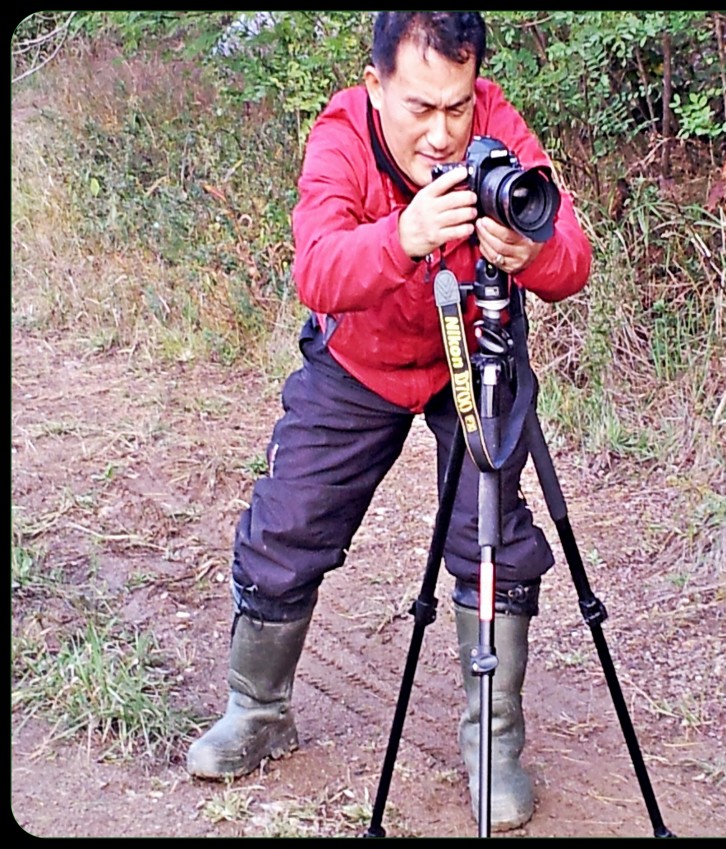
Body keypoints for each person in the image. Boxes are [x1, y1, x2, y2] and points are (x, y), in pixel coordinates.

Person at [186, 11, 592, 832]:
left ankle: (491, 745)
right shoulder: (341, 135)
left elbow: (571, 258)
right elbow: (316, 269)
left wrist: (533, 255)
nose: (442, 133)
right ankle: (257, 710)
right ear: (376, 87)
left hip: (472, 355)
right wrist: (402, 236)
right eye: (420, 108)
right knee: (289, 520)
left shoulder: (501, 128)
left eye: (458, 106)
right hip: (359, 358)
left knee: (492, 536)